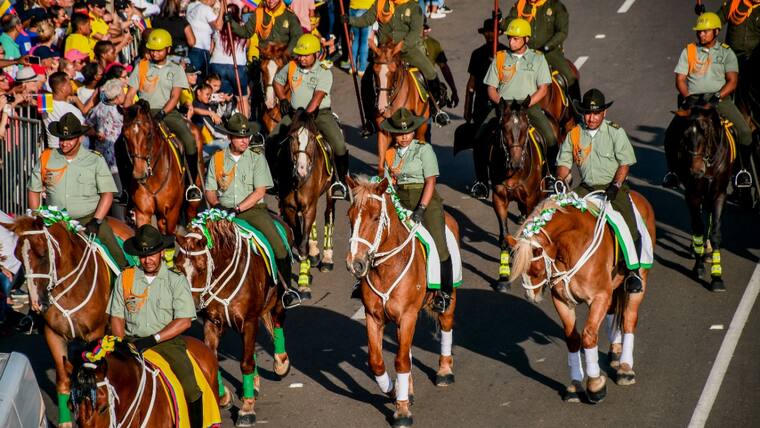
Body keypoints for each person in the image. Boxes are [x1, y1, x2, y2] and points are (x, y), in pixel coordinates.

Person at [108, 224, 204, 428]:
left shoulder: (175, 280)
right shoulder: (125, 278)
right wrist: (120, 344)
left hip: (166, 343)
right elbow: (116, 317)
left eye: (152, 254)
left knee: (190, 387)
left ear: (161, 253)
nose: (147, 260)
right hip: (130, 341)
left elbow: (184, 321)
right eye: (143, 255)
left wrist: (153, 339)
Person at [205, 112, 299, 305]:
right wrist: (216, 205)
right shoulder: (217, 159)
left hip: (252, 211)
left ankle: (286, 291)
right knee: (197, 244)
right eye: (240, 137)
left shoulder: (257, 158)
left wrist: (237, 209)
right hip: (221, 211)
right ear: (229, 137)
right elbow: (210, 191)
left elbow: (259, 192)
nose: (245, 140)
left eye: (247, 136)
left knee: (279, 247)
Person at [556, 89, 642, 293]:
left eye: (596, 113)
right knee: (558, 212)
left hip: (613, 187)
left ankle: (633, 272)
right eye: (587, 113)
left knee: (629, 224)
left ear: (604, 113)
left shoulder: (615, 132)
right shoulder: (574, 134)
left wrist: (616, 186)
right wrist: (559, 180)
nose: (591, 118)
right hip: (586, 187)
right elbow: (564, 164)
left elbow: (624, 164)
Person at [662, 12, 753, 189]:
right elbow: (680, 79)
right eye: (699, 31)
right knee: (670, 135)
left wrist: (717, 97)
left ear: (716, 31)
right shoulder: (688, 51)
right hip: (693, 100)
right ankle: (672, 173)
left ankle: (743, 171)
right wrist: (688, 98)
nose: (701, 34)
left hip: (719, 99)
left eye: (705, 31)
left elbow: (732, 81)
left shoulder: (726, 52)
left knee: (745, 132)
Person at [27, 113, 128, 269]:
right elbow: (34, 190)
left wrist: (97, 220)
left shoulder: (95, 160)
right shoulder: (47, 158)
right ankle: (19, 280)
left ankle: (126, 274)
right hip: (54, 220)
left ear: (80, 138)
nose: (64, 143)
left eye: (69, 139)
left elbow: (107, 194)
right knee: (27, 251)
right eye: (62, 139)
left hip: (87, 220)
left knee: (110, 242)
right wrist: (37, 216)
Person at [380, 108, 452, 312]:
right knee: (378, 236)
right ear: (394, 133)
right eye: (400, 133)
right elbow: (388, 183)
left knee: (439, 245)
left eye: (408, 132)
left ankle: (444, 293)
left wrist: (421, 209)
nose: (404, 137)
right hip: (400, 200)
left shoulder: (424, 149)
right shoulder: (389, 154)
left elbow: (430, 181)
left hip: (426, 201)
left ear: (414, 132)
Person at [124, 28, 202, 202]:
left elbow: (175, 97)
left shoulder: (176, 69)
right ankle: (125, 190)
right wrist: (127, 113)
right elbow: (130, 94)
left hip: (167, 113)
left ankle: (191, 185)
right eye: (152, 50)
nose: (155, 53)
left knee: (189, 142)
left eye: (159, 50)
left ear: (168, 49)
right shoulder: (141, 67)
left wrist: (162, 113)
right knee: (120, 145)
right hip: (142, 113)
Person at [272, 33, 350, 199]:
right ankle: (274, 180)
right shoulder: (291, 66)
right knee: (272, 140)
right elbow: (277, 82)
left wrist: (305, 118)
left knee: (339, 146)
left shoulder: (324, 72)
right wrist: (283, 98)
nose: (302, 58)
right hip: (294, 113)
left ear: (316, 54)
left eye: (306, 55)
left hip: (319, 114)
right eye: (300, 55)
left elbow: (318, 97)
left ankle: (340, 182)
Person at [476, 19, 556, 154]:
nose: (511, 42)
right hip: (504, 106)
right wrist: (501, 103)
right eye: (509, 38)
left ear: (526, 39)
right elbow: (491, 88)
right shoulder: (500, 57)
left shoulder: (538, 58)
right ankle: (482, 168)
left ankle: (550, 167)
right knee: (480, 136)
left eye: (515, 39)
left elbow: (543, 89)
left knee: (551, 138)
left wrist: (527, 103)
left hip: (528, 106)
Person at [347, 0, 447, 107]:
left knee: (430, 71)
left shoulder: (414, 7)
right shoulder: (380, 3)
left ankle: (435, 106)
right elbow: (366, 19)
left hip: (408, 50)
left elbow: (415, 32)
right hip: (384, 52)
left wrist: (402, 46)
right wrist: (349, 20)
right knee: (366, 78)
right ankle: (368, 110)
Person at [465, 18, 507, 200]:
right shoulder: (477, 54)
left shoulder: (506, 53)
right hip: (482, 105)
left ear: (499, 33)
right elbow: (471, 83)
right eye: (487, 32)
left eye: (493, 31)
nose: (490, 35)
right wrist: (467, 107)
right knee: (479, 142)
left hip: (504, 104)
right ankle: (482, 182)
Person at [505, 0, 578, 101]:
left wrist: (547, 47)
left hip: (550, 52)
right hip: (524, 51)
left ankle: (576, 106)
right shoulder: (520, 5)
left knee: (569, 77)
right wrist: (501, 21)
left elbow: (562, 32)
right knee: (504, 72)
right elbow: (509, 25)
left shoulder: (555, 5)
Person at [226, 0, 303, 55]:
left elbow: (297, 37)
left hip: (283, 62)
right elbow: (245, 32)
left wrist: (286, 54)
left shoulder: (290, 16)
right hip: (264, 61)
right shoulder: (259, 13)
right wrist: (231, 22)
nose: (271, 1)